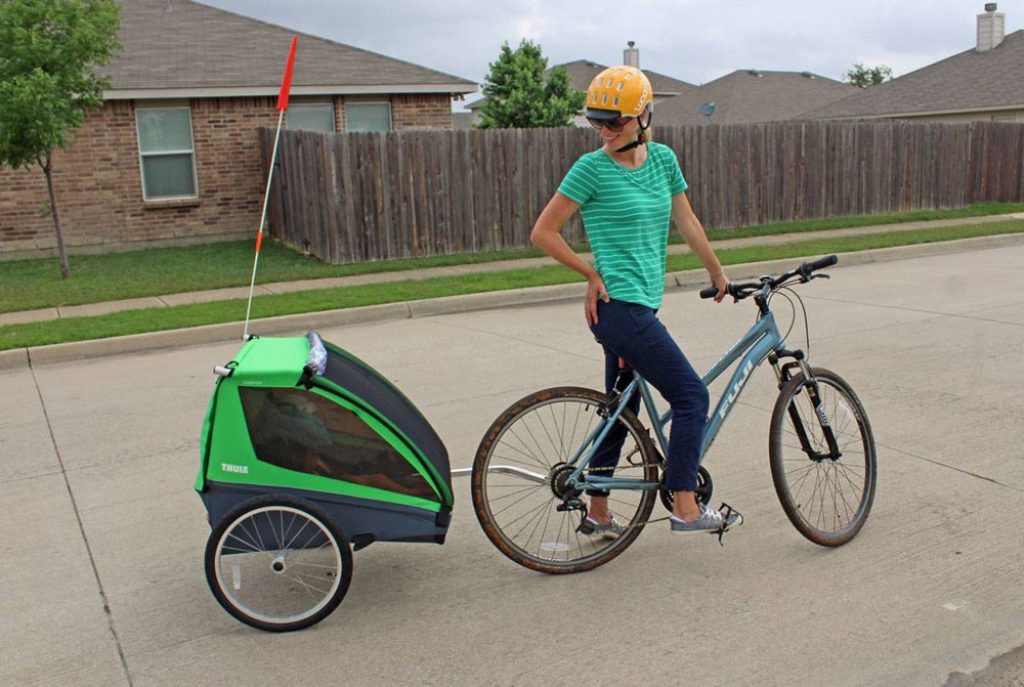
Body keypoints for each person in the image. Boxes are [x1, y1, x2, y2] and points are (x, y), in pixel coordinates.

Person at [529, 65, 730, 534]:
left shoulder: (663, 160)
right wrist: (590, 273)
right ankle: (686, 506)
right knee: (691, 396)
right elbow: (543, 232)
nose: (603, 130)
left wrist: (716, 271)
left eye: (613, 122)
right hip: (619, 309)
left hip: (639, 306)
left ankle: (598, 513)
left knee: (621, 413)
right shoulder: (590, 169)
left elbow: (687, 222)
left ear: (643, 115)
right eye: (596, 122)